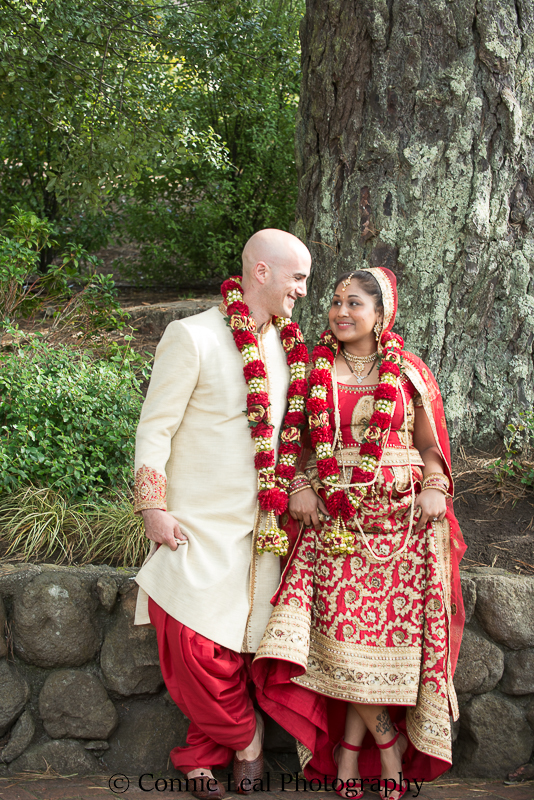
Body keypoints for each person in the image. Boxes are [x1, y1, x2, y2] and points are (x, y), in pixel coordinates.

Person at [252, 267, 466, 800]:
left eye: (355, 304)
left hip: (402, 530)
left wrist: (436, 487)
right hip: (334, 525)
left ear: (381, 313)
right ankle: (386, 748)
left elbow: (430, 447)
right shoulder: (309, 371)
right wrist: (299, 485)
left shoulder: (409, 371)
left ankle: (350, 751)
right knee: (342, 642)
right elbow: (290, 444)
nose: (341, 312)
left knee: (380, 644)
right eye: (335, 302)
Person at [133, 229, 312, 798]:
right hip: (196, 525)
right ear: (261, 272)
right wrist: (152, 506)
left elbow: (299, 435)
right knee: (190, 643)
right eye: (297, 278)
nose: (303, 292)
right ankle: (247, 740)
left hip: (261, 531)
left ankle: (198, 757)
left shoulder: (292, 349)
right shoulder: (193, 337)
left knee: (232, 650)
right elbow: (154, 427)